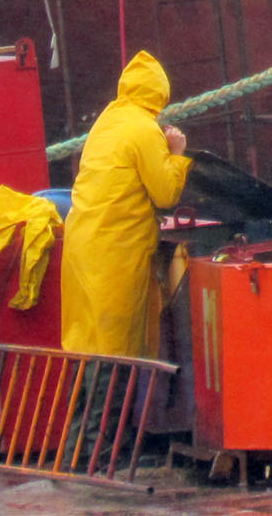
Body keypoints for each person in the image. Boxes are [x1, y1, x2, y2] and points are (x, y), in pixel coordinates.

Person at [60, 50, 192, 358]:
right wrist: (177, 153)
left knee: (86, 345)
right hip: (116, 251)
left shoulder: (107, 121)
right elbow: (165, 194)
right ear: (160, 93)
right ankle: (113, 408)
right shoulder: (144, 128)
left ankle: (84, 406)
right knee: (116, 348)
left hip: (82, 245)